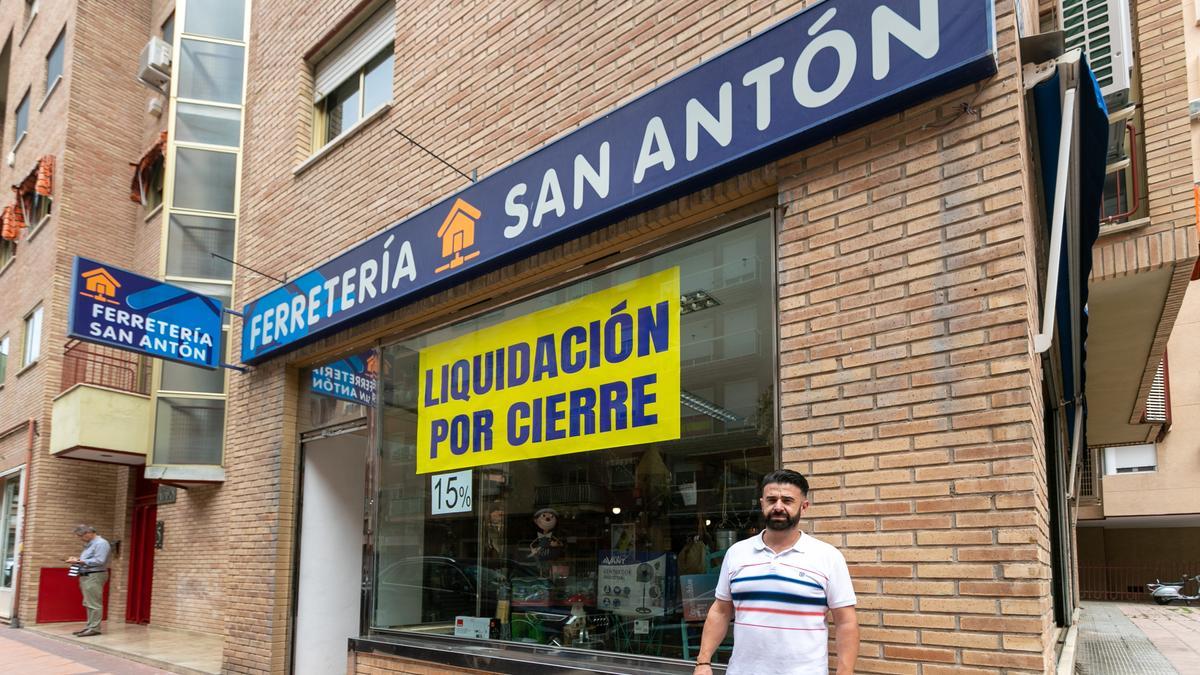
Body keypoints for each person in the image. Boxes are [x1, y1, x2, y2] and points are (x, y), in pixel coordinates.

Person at [694, 470, 858, 675]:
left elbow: (846, 622)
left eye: (787, 500)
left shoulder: (827, 557)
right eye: (771, 500)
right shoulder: (737, 553)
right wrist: (703, 662)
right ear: (762, 504)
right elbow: (721, 610)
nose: (778, 506)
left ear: (804, 507)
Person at [65, 524, 110, 637]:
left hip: (94, 575)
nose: (80, 538)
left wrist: (80, 561)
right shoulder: (90, 544)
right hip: (87, 575)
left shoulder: (101, 543)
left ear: (89, 533)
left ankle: (95, 628)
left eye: (81, 536)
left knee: (94, 603)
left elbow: (100, 560)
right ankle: (90, 626)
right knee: (88, 602)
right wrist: (78, 560)